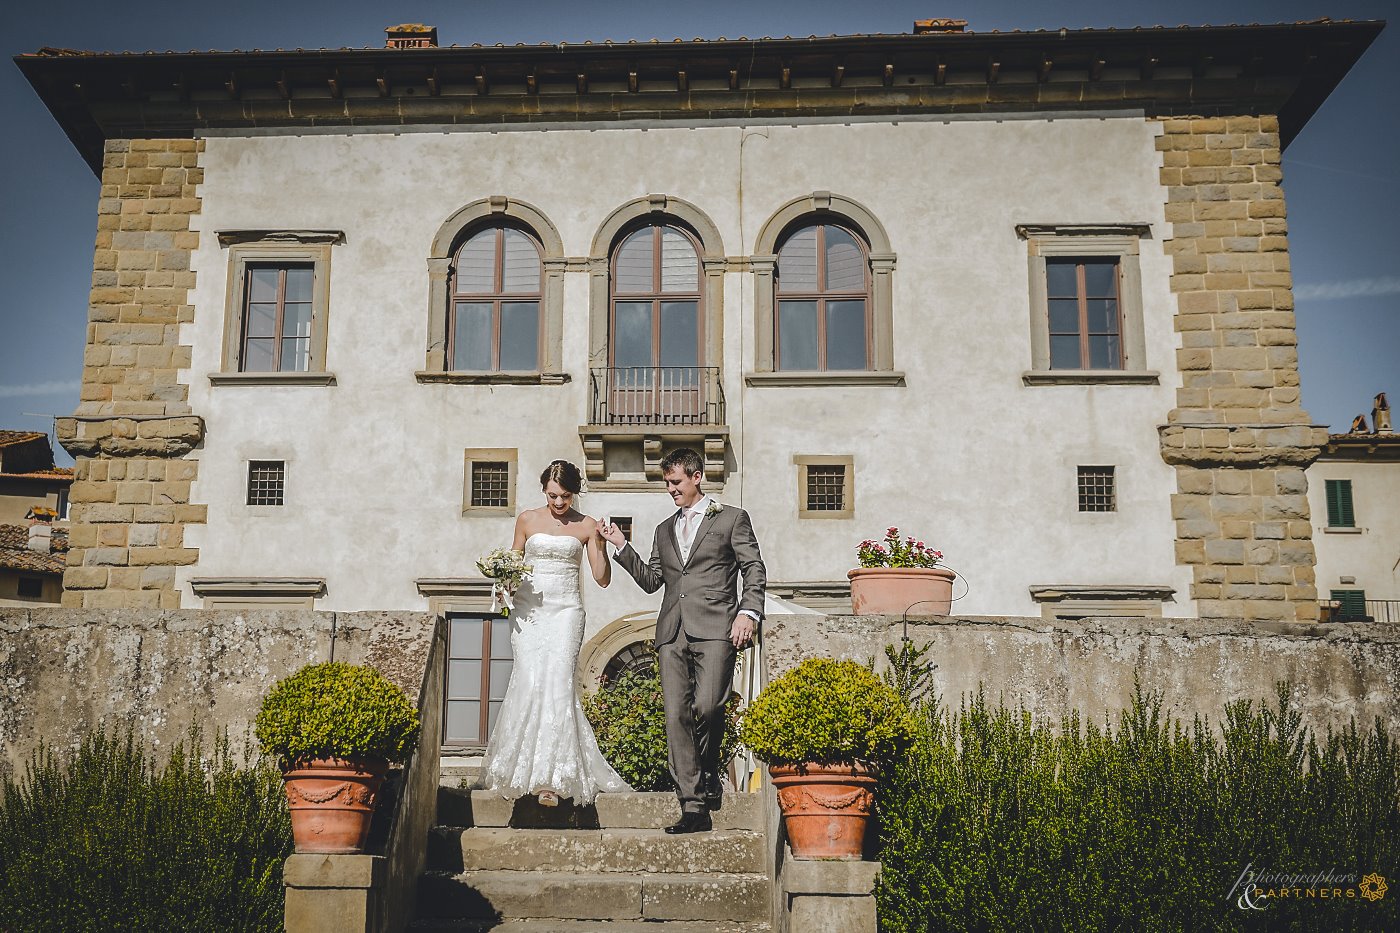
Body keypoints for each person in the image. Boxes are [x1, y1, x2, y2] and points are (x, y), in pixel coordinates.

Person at [601, 447, 767, 834]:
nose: (671, 489)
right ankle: (693, 806)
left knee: (709, 706)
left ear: (696, 477)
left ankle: (709, 770)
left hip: (717, 627)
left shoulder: (731, 519)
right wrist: (620, 545)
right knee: (676, 716)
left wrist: (749, 612)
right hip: (672, 631)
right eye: (667, 483)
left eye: (675, 482)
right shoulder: (663, 529)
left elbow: (753, 568)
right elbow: (651, 581)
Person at [478, 459, 630, 807]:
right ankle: (518, 772)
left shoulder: (587, 525)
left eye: (564, 496)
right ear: (543, 490)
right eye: (552, 495)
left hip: (566, 612)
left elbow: (601, 578)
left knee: (558, 682)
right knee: (529, 680)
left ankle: (552, 780)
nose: (558, 503)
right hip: (529, 614)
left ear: (574, 493)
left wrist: (602, 544)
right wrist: (503, 582)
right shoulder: (527, 520)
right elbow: (512, 565)